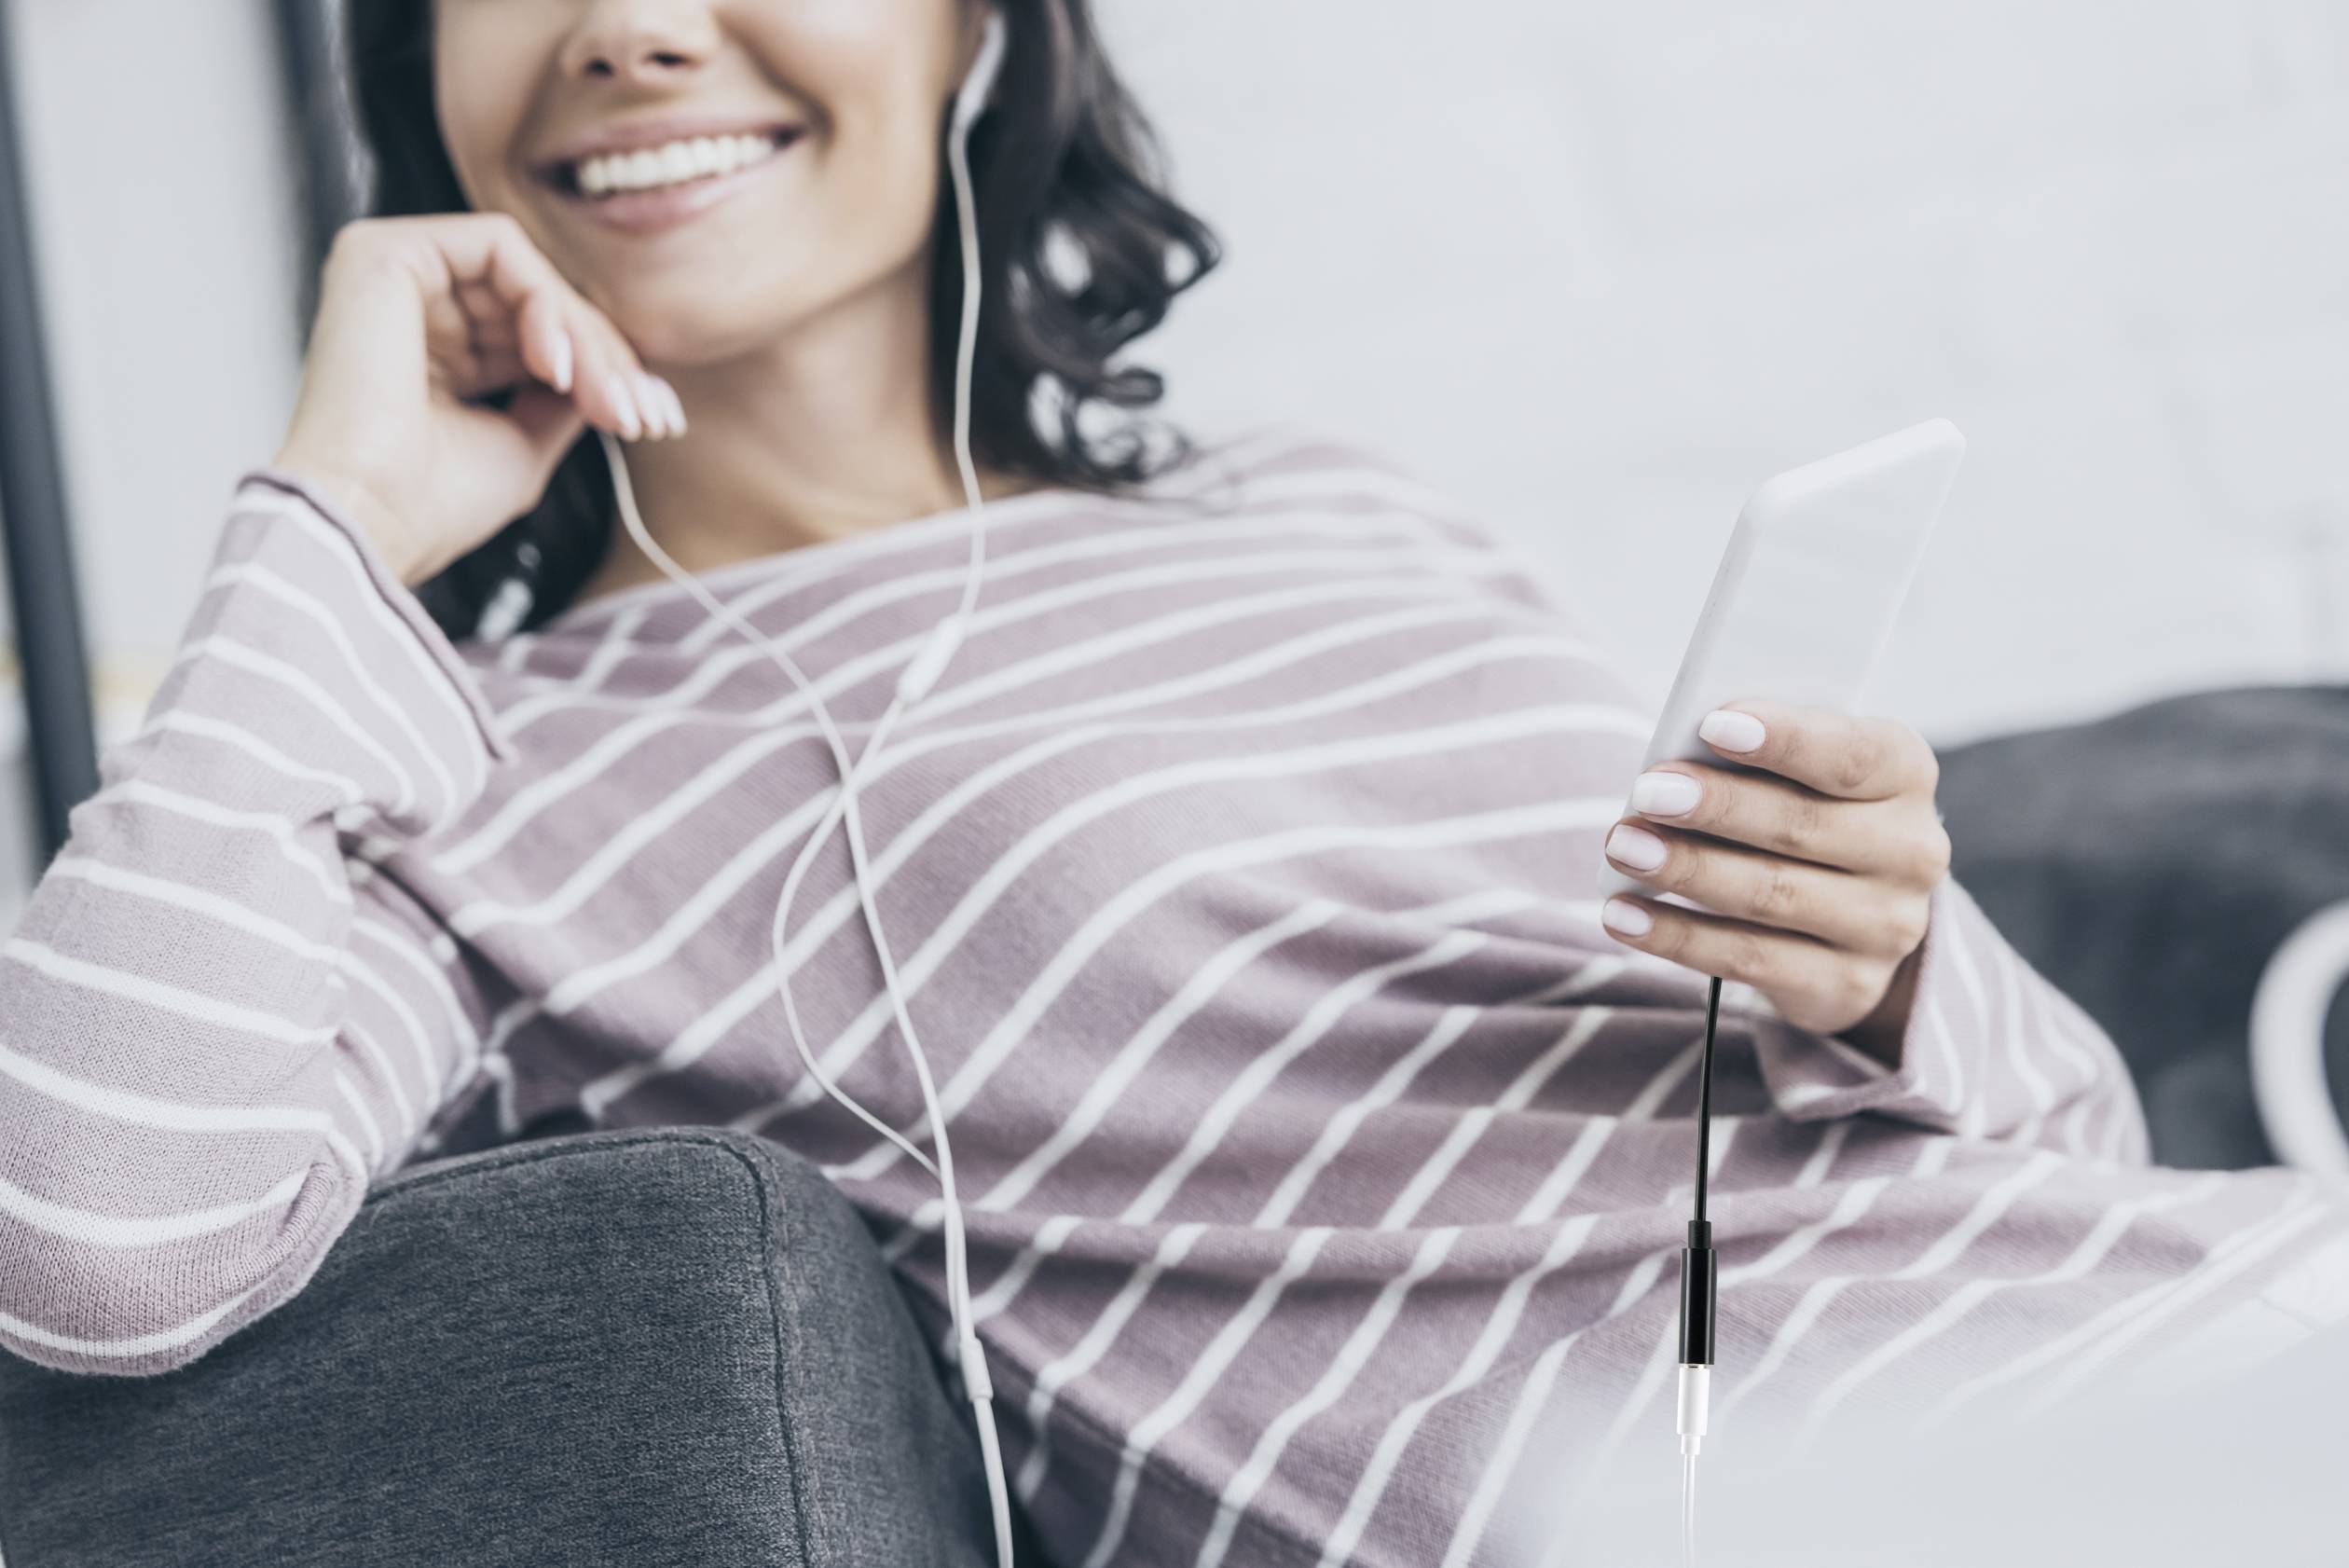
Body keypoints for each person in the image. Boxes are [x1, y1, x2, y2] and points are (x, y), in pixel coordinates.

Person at [1, 3, 2342, 1564]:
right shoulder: (474, 783)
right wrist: (321, 521)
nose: (626, 18)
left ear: (979, 29)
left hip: (2189, 1343)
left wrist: (1887, 951)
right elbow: (88, 1235)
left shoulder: (1326, 509)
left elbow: (2077, 1154)